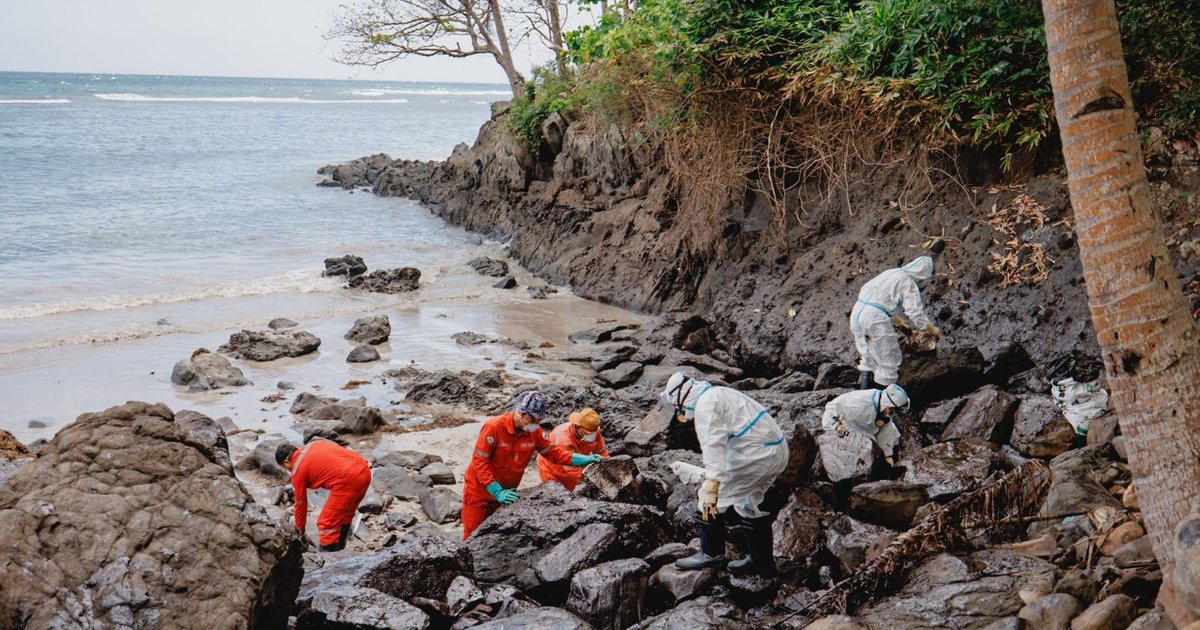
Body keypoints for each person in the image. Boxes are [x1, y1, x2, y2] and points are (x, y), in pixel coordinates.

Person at [663, 372, 790, 576]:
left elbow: (714, 447)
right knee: (749, 503)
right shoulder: (717, 392)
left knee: (708, 499)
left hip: (756, 455)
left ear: (680, 396)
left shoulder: (706, 406)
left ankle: (711, 555)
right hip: (776, 451)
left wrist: (712, 488)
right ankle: (761, 562)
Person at [462, 390, 602, 539]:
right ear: (522, 413)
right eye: (534, 419)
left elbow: (554, 453)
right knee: (472, 535)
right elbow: (479, 461)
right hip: (479, 493)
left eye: (539, 420)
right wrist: (496, 491)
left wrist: (582, 459)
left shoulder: (534, 433)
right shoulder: (494, 427)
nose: (537, 424)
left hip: (508, 493)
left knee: (493, 537)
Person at [850, 255, 939, 388]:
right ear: (922, 274)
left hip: (857, 313)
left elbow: (883, 301)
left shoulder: (891, 273)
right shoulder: (908, 283)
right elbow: (915, 312)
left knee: (868, 358)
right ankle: (883, 403)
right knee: (889, 364)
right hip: (874, 319)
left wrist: (904, 327)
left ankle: (865, 400)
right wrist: (930, 329)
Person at [276, 438, 372, 552]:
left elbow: (300, 504)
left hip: (348, 480)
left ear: (287, 462)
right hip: (364, 470)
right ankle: (341, 553)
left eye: (285, 468)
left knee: (326, 524)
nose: (288, 471)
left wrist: (299, 532)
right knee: (345, 515)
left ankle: (329, 562)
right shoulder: (315, 444)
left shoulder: (297, 470)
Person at [821, 383, 910, 466]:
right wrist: (836, 425)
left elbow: (886, 431)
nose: (892, 413)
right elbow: (832, 407)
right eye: (892, 409)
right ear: (889, 405)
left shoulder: (884, 409)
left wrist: (888, 455)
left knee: (894, 434)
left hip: (868, 426)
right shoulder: (860, 402)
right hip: (849, 425)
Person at [537, 407, 610, 491]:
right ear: (578, 427)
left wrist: (608, 468)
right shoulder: (563, 439)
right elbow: (570, 468)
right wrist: (593, 478)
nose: (592, 436)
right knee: (556, 496)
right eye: (588, 433)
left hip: (574, 467)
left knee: (570, 492)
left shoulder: (593, 432)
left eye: (594, 432)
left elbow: (602, 452)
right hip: (552, 470)